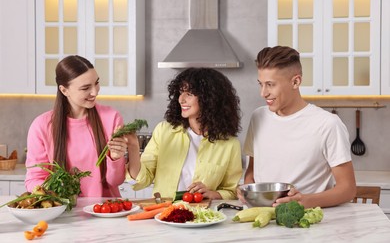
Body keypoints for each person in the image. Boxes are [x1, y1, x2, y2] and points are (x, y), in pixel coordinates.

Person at [241, 46, 356, 208]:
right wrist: (247, 189)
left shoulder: (327, 124)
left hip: (306, 221)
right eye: (261, 84)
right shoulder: (258, 117)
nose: (263, 93)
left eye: (270, 84)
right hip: (262, 216)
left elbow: (348, 189)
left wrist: (305, 201)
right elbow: (252, 171)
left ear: (296, 81)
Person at [124, 67, 243, 200]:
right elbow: (141, 179)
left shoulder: (230, 144)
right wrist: (133, 148)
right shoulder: (163, 131)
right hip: (165, 214)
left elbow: (231, 191)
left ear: (209, 99)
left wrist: (211, 193)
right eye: (181, 92)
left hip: (203, 217)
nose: (181, 99)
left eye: (189, 94)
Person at [25, 55, 128, 197]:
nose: (95, 92)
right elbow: (34, 179)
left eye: (96, 83)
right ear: (64, 90)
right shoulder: (41, 126)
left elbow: (115, 182)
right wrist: (57, 190)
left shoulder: (111, 118)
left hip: (105, 212)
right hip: (61, 213)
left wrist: (116, 158)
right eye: (86, 88)